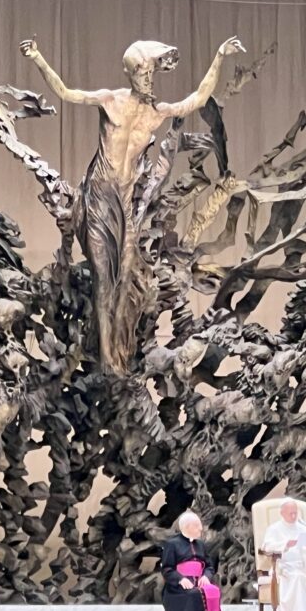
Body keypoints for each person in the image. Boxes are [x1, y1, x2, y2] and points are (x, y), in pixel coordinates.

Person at [20, 35, 245, 373]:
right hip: (98, 199)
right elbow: (67, 93)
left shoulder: (156, 112)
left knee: (125, 275)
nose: (148, 80)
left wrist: (219, 56)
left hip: (126, 204)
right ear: (130, 74)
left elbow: (198, 98)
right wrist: (37, 57)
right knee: (103, 277)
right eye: (142, 74)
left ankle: (118, 354)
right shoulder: (110, 100)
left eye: (151, 74)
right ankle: (108, 358)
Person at [161, 511, 225, 611]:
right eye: (197, 525)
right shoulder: (172, 544)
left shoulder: (201, 544)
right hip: (177, 588)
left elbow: (209, 566)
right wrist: (181, 579)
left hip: (199, 583)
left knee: (213, 591)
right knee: (194, 594)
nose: (201, 528)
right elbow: (167, 569)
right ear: (187, 527)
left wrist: (206, 577)